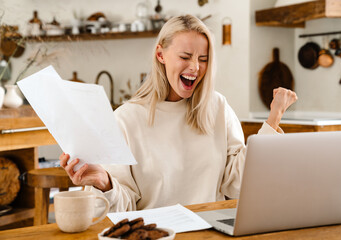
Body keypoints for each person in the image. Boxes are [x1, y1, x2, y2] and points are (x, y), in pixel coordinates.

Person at [60, 15, 297, 212]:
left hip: (211, 233)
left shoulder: (217, 107)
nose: (195, 67)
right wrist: (105, 183)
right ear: (160, 54)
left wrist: (274, 119)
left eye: (202, 59)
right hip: (156, 234)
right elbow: (123, 208)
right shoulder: (126, 119)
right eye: (185, 57)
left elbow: (239, 183)